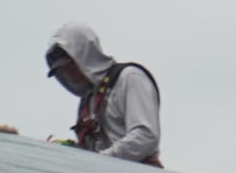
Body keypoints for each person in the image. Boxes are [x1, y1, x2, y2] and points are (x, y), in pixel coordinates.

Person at [44, 23, 162, 164]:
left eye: (71, 65)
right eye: (63, 71)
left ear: (85, 55)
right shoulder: (87, 101)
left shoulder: (129, 78)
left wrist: (101, 160)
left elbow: (146, 135)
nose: (70, 74)